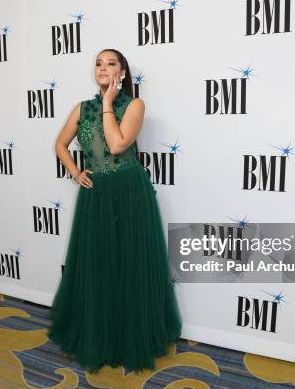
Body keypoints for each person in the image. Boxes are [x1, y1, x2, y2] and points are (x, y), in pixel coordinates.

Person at [47, 48, 182, 374]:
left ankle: (130, 337)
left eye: (111, 63)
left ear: (122, 73)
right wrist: (75, 172)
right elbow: (60, 145)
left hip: (129, 192)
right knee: (100, 265)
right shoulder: (81, 108)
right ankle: (103, 337)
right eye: (98, 63)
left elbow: (119, 144)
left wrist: (108, 103)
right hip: (97, 196)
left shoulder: (134, 105)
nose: (103, 68)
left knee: (131, 265)